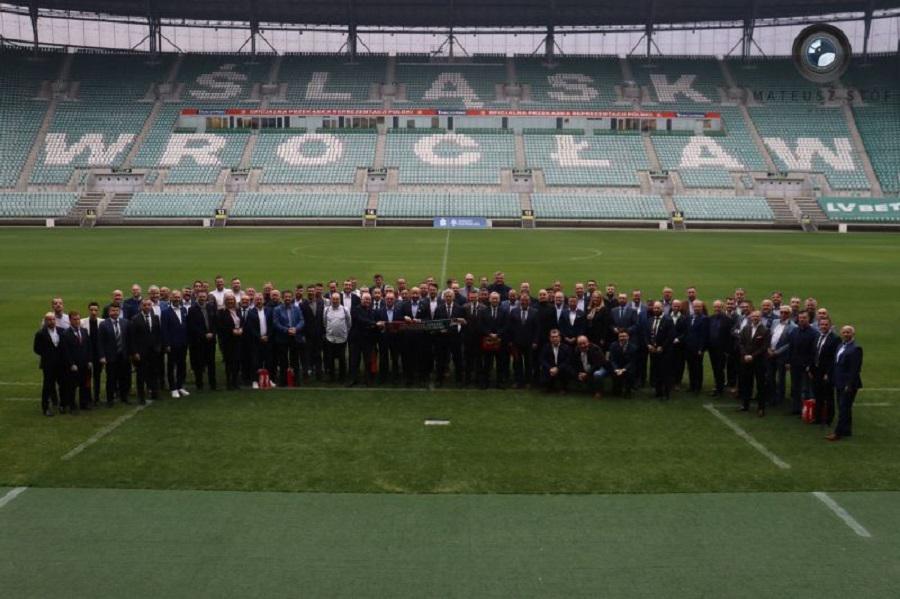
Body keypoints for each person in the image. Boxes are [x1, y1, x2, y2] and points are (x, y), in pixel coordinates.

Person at [827, 326, 863, 441]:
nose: (846, 334)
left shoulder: (856, 348)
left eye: (848, 332)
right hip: (839, 381)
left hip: (848, 384)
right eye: (844, 332)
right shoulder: (841, 345)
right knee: (844, 407)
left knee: (843, 408)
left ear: (853, 334)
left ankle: (838, 433)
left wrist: (849, 384)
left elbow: (855, 369)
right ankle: (847, 430)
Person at [129, 298, 162, 404]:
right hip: (141, 352)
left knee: (154, 372)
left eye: (149, 305)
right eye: (145, 305)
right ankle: (141, 396)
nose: (147, 307)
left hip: (153, 352)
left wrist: (158, 347)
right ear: (141, 307)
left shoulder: (155, 317)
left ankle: (154, 393)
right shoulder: (135, 319)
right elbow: (132, 338)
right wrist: (135, 352)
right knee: (141, 375)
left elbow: (158, 334)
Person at [738, 311, 769, 416]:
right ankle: (745, 405)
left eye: (757, 316)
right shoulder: (746, 328)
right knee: (746, 383)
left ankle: (761, 408)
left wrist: (752, 356)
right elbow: (741, 343)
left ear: (760, 318)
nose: (755, 318)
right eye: (753, 316)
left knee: (760, 385)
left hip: (759, 362)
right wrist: (745, 354)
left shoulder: (765, 330)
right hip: (746, 361)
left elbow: (764, 347)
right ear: (750, 317)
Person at [98, 304, 131, 405]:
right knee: (111, 378)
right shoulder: (104, 324)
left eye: (117, 310)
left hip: (123, 355)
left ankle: (124, 397)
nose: (115, 312)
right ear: (109, 312)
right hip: (111, 356)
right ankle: (110, 399)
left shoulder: (125, 322)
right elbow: (100, 342)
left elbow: (128, 340)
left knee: (124, 377)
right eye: (113, 310)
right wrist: (102, 356)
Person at [33, 312, 64, 416]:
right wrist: (48, 355)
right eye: (49, 320)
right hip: (48, 365)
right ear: (45, 321)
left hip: (60, 364)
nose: (51, 321)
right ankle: (45, 408)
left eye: (53, 319)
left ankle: (62, 405)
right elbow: (36, 349)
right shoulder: (41, 334)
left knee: (62, 385)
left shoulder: (61, 331)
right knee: (47, 386)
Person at [161, 290, 190, 398]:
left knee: (182, 365)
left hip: (183, 343)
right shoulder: (165, 312)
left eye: (178, 297)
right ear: (171, 298)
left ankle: (180, 386)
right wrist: (167, 344)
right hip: (172, 344)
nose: (177, 299)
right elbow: (164, 330)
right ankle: (173, 388)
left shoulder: (183, 310)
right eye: (175, 297)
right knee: (171, 366)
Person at [62, 311, 93, 412]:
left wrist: (89, 360)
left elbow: (88, 347)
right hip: (74, 365)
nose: (77, 321)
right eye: (74, 319)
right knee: (72, 386)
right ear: (70, 320)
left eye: (78, 319)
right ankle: (72, 405)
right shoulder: (66, 334)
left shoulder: (84, 331)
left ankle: (84, 403)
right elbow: (65, 351)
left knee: (84, 385)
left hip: (84, 364)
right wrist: (71, 364)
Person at [506, 293, 539, 389]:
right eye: (522, 300)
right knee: (517, 363)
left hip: (529, 343)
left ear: (529, 301)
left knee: (529, 363)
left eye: (526, 300)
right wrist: (510, 341)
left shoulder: (535, 312)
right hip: (516, 343)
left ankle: (528, 381)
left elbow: (537, 328)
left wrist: (535, 341)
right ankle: (518, 381)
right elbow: (510, 328)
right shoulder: (514, 312)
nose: (524, 302)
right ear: (519, 301)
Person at [186, 291, 217, 391]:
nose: (202, 298)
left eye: (204, 296)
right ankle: (199, 385)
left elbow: (215, 322)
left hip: (211, 340)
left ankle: (213, 385)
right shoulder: (192, 310)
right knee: (199, 363)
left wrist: (212, 333)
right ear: (197, 297)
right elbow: (192, 326)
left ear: (206, 297)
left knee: (211, 363)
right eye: (200, 296)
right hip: (199, 341)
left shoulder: (211, 307)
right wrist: (204, 334)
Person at [788, 312, 818, 415]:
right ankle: (796, 408)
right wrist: (789, 361)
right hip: (795, 364)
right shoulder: (795, 331)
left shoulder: (814, 333)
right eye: (800, 318)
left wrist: (810, 366)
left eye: (804, 318)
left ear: (808, 319)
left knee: (806, 389)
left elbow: (814, 352)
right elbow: (791, 347)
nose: (802, 320)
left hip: (806, 366)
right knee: (795, 387)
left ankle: (807, 410)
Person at [766, 306, 796, 406]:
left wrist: (777, 352)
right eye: (781, 312)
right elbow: (770, 335)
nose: (783, 314)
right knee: (770, 376)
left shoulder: (793, 326)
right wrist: (769, 349)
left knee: (781, 377)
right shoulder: (775, 322)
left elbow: (789, 344)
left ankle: (780, 398)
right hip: (770, 353)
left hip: (782, 356)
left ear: (790, 314)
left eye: (786, 313)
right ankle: (771, 395)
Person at [434, 289, 464, 387]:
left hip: (455, 339)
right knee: (441, 360)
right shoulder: (439, 308)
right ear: (444, 297)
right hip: (442, 339)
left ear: (453, 297)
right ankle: (439, 379)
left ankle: (459, 380)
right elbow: (435, 323)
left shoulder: (459, 308)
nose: (448, 298)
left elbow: (462, 324)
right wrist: (440, 330)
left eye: (450, 296)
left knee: (457, 360)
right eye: (446, 296)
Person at [273, 291, 304, 386]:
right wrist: (287, 330)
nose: (287, 298)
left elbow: (301, 320)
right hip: (283, 338)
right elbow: (276, 323)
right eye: (286, 297)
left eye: (289, 297)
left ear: (292, 298)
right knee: (283, 361)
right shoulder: (277, 309)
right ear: (282, 298)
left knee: (295, 360)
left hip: (295, 337)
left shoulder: (297, 308)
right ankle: (283, 381)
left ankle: (296, 381)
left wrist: (296, 329)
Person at [812, 316, 839, 426]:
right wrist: (811, 368)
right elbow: (814, 353)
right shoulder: (817, 336)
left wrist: (829, 373)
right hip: (817, 371)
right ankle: (818, 418)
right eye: (821, 324)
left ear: (830, 326)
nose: (823, 326)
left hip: (827, 372)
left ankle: (828, 419)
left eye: (825, 325)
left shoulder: (835, 339)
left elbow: (834, 358)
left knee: (828, 397)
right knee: (818, 396)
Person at [478, 292, 508, 389]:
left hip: (500, 342)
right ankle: (485, 382)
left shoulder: (504, 311)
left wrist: (498, 334)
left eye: (496, 298)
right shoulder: (483, 311)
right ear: (489, 299)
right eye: (493, 298)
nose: (495, 300)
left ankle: (500, 383)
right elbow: (481, 325)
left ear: (499, 300)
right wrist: (489, 334)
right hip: (488, 341)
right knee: (487, 363)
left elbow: (506, 325)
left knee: (500, 363)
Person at [348, 293, 379, 386]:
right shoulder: (355, 309)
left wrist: (374, 324)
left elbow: (372, 324)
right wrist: (374, 323)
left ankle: (368, 380)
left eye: (369, 299)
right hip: (356, 340)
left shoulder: (373, 311)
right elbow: (360, 320)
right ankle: (353, 379)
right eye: (365, 299)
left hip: (368, 340)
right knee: (354, 361)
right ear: (361, 299)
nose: (367, 301)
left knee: (368, 361)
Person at [245, 293, 275, 388]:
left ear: (263, 300)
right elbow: (250, 328)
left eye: (260, 299)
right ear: (254, 301)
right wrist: (259, 337)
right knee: (255, 362)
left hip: (268, 340)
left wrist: (267, 336)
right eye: (257, 299)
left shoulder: (269, 311)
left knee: (268, 361)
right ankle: (255, 380)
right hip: (256, 341)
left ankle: (269, 379)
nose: (259, 301)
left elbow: (272, 325)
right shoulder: (251, 312)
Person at [646, 301, 674, 400]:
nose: (656, 310)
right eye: (655, 308)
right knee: (655, 372)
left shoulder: (668, 320)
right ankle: (658, 392)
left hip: (664, 352)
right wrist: (648, 344)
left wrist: (662, 347)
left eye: (658, 308)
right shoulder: (650, 320)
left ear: (662, 308)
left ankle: (666, 393)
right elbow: (646, 334)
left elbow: (670, 336)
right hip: (653, 351)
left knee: (665, 372)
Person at [216, 293, 245, 390]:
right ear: (225, 301)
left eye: (232, 299)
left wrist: (241, 329)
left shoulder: (238, 310)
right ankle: (229, 383)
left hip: (238, 340)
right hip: (227, 341)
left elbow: (242, 322)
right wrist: (231, 331)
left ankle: (235, 382)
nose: (230, 301)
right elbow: (220, 327)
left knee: (237, 362)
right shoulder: (221, 312)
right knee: (229, 362)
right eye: (228, 300)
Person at [375, 290, 403, 384]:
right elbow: (376, 325)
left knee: (395, 358)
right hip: (383, 339)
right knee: (383, 358)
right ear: (385, 299)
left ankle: (395, 377)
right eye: (388, 299)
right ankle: (383, 377)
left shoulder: (399, 311)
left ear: (395, 300)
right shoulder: (379, 311)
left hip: (396, 339)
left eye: (391, 299)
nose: (390, 300)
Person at [707, 300, 733, 397]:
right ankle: (717, 386)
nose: (717, 308)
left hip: (722, 349)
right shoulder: (711, 318)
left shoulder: (727, 320)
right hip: (712, 348)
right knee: (714, 368)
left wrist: (727, 350)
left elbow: (730, 337)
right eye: (715, 307)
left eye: (719, 307)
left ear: (722, 307)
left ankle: (720, 388)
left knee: (720, 368)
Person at [324, 292, 351, 383]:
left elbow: (349, 323)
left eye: (337, 299)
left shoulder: (345, 310)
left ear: (340, 300)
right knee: (330, 359)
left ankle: (342, 377)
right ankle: (332, 377)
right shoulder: (326, 310)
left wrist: (344, 332)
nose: (335, 301)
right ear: (331, 299)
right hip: (330, 339)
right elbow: (325, 322)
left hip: (342, 339)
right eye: (333, 299)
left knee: (342, 359)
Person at [81, 301, 104, 406]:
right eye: (91, 310)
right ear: (89, 310)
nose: (93, 312)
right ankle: (88, 397)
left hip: (98, 354)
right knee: (87, 377)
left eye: (95, 310)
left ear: (98, 311)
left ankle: (97, 396)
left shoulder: (102, 322)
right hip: (87, 355)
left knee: (97, 376)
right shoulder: (82, 322)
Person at [684, 300, 709, 393]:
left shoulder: (704, 319)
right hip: (689, 347)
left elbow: (704, 335)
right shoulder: (689, 318)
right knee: (690, 367)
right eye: (695, 307)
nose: (696, 308)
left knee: (698, 368)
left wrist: (701, 348)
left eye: (698, 307)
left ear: (702, 308)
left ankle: (698, 386)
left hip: (698, 348)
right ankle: (692, 385)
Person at [572, 335, 608, 400]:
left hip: (602, 367)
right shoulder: (577, 350)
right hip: (588, 368)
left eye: (584, 343)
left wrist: (587, 373)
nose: (582, 345)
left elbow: (597, 364)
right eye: (580, 344)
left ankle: (599, 392)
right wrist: (580, 373)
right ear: (577, 344)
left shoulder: (595, 349)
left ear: (588, 342)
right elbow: (576, 364)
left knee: (597, 374)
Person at [608, 331, 636, 397]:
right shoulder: (613, 345)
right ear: (618, 337)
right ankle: (617, 389)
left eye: (624, 336)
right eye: (621, 336)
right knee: (613, 373)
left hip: (627, 367)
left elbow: (632, 361)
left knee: (630, 372)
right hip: (616, 366)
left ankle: (628, 390)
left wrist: (624, 369)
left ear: (628, 337)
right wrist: (616, 369)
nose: (622, 338)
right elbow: (612, 359)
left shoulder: (633, 347)